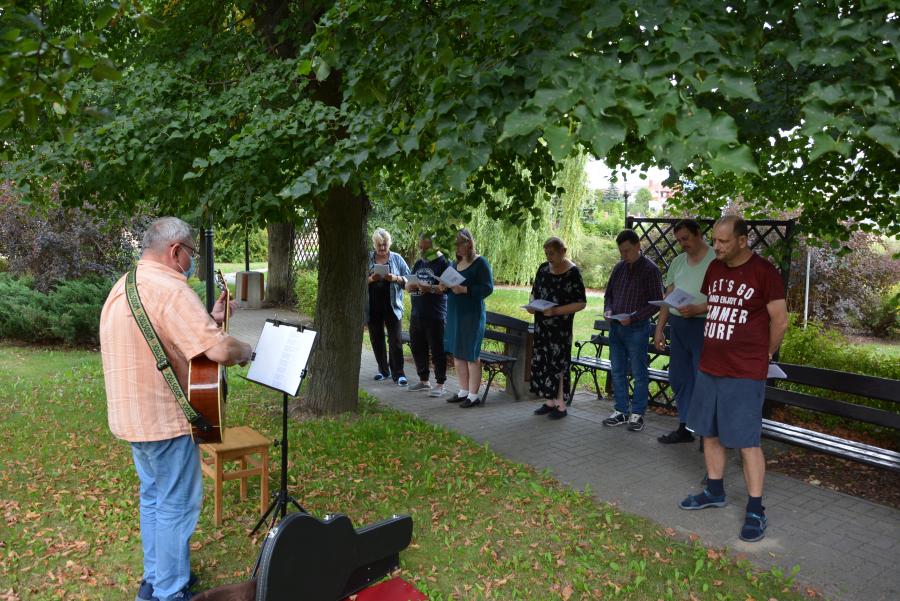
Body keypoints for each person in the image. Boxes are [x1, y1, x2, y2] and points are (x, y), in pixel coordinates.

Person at [99, 217, 252, 601]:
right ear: (175, 251)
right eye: (191, 254)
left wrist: (211, 320)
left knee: (153, 499)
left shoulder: (126, 285)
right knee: (176, 507)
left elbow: (163, 334)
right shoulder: (170, 288)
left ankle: (154, 579)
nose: (192, 262)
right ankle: (169, 592)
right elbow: (217, 351)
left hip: (133, 420)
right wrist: (245, 349)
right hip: (166, 422)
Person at [678, 215, 788, 543]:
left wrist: (764, 356)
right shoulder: (714, 268)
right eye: (715, 240)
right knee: (709, 432)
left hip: (744, 372)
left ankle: (756, 509)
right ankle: (714, 491)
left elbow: (779, 321)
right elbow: (716, 303)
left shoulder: (764, 273)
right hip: (711, 366)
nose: (717, 246)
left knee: (746, 441)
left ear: (743, 240)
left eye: (724, 241)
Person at [654, 219, 716, 443]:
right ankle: (685, 426)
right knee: (679, 377)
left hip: (704, 327)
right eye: (679, 240)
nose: (682, 244)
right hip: (679, 327)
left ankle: (706, 432)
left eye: (686, 239)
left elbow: (725, 299)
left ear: (698, 234)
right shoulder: (678, 262)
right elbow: (668, 298)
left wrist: (700, 308)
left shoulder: (715, 259)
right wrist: (660, 329)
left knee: (703, 379)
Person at [601, 229, 663, 432]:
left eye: (627, 251)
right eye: (621, 251)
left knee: (638, 371)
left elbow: (656, 303)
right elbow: (608, 294)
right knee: (617, 370)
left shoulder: (650, 270)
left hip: (636, 328)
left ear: (638, 246)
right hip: (616, 326)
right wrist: (608, 310)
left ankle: (637, 414)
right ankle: (620, 410)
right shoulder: (619, 268)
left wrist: (634, 317)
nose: (624, 255)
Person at [528, 237, 587, 419]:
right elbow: (535, 292)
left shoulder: (572, 273)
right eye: (546, 254)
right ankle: (549, 401)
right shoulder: (543, 268)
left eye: (552, 253)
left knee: (558, 365)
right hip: (542, 326)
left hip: (560, 329)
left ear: (563, 251)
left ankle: (561, 405)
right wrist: (531, 305)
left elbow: (581, 303)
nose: (548, 257)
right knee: (544, 362)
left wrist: (556, 311)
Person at [440, 228, 494, 408]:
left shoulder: (481, 263)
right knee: (457, 353)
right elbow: (450, 283)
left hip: (472, 315)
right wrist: (443, 286)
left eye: (459, 245)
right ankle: (463, 391)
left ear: (469, 243)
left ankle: (473, 395)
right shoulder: (455, 264)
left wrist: (465, 290)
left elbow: (487, 288)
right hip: (455, 312)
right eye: (455, 246)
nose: (457, 249)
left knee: (471, 354)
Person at [405, 233, 451, 397]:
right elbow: (408, 282)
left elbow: (445, 287)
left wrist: (429, 288)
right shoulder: (419, 263)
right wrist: (409, 286)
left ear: (434, 247)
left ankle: (441, 384)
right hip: (417, 312)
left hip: (435, 314)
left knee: (437, 349)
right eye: (420, 245)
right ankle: (424, 381)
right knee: (418, 348)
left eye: (424, 246)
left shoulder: (444, 263)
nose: (420, 249)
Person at [366, 228, 411, 386]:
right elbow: (358, 281)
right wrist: (372, 278)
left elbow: (409, 278)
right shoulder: (368, 258)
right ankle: (383, 370)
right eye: (379, 245)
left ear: (389, 244)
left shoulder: (397, 258)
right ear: (375, 244)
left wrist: (396, 278)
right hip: (373, 306)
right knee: (376, 339)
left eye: (385, 245)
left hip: (393, 306)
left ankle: (399, 374)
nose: (382, 248)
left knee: (395, 340)